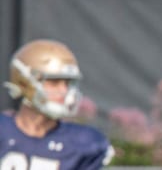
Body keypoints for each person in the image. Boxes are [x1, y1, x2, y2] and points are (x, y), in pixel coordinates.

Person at [1, 39, 114, 169]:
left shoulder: (84, 142)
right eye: (54, 82)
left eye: (67, 83)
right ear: (24, 82)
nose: (63, 91)